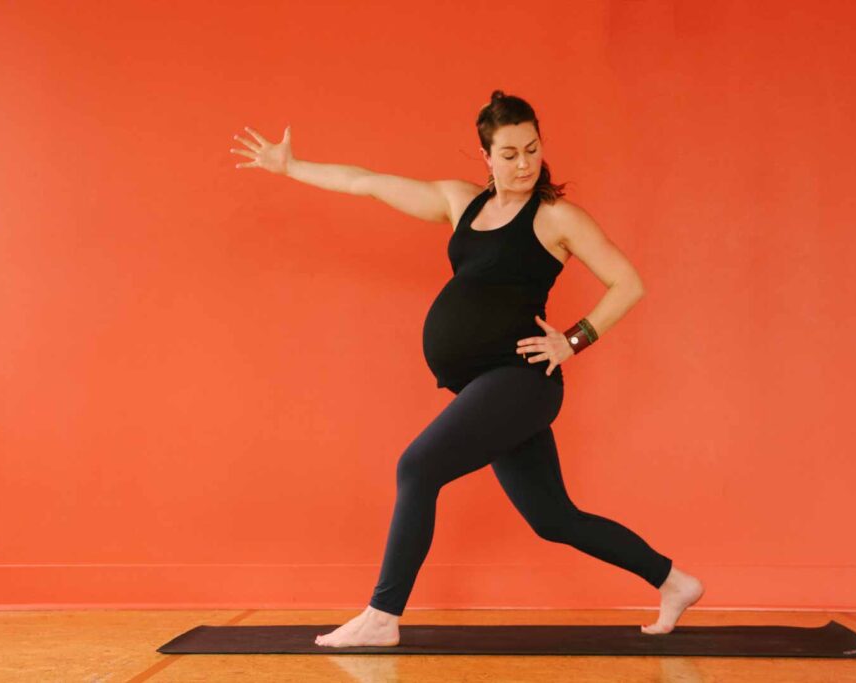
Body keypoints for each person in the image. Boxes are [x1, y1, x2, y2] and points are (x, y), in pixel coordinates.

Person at [230, 90, 704, 647]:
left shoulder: (556, 218)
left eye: (531, 149)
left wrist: (573, 340)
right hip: (486, 387)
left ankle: (383, 616)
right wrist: (291, 168)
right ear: (486, 156)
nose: (524, 163)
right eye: (509, 153)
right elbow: (368, 182)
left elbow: (629, 282)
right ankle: (674, 581)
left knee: (417, 468)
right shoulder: (461, 203)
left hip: (521, 382)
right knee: (553, 518)